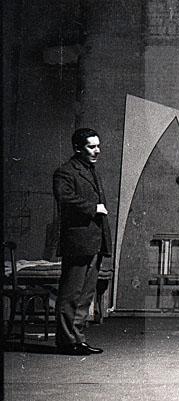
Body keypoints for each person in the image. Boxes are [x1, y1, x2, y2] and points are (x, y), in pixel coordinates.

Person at [53, 128, 111, 355]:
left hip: (93, 240)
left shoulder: (90, 170)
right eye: (91, 146)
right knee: (71, 294)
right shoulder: (65, 171)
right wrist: (93, 208)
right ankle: (67, 341)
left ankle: (77, 339)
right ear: (78, 148)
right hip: (78, 242)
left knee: (85, 294)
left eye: (98, 146)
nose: (97, 150)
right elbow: (64, 198)